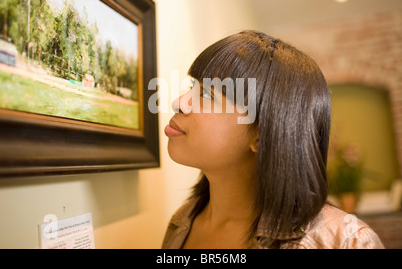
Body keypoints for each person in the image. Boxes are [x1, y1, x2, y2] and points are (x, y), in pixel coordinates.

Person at [162, 30, 384, 249]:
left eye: (207, 94)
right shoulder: (182, 222)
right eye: (192, 87)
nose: (179, 102)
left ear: (261, 135)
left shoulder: (345, 242)